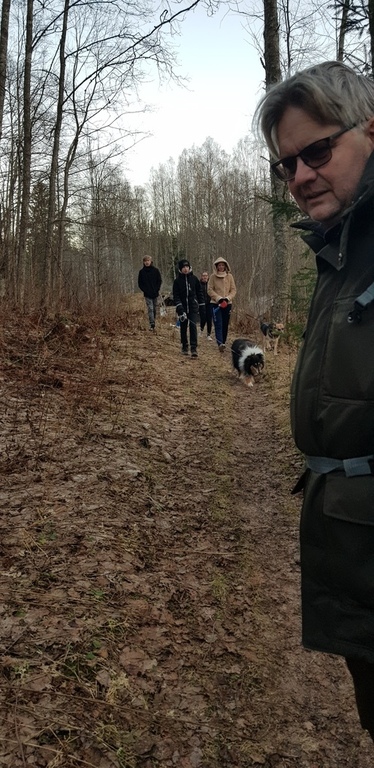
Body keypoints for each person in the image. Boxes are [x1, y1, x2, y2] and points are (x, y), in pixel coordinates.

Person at [255, 60, 374, 743]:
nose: (299, 177)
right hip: (352, 553)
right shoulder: (340, 251)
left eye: (318, 151)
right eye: (285, 165)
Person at [173, 259, 206, 358]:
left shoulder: (194, 279)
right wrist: (180, 308)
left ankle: (193, 348)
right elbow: (176, 296)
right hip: (182, 308)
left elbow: (199, 293)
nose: (185, 269)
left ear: (189, 267)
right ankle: (184, 346)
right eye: (183, 267)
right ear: (180, 269)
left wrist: (201, 305)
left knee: (193, 326)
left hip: (193, 307)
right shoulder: (177, 281)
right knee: (183, 327)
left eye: (187, 267)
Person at [207, 258, 237, 352]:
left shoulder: (229, 276)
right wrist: (218, 298)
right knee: (218, 324)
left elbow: (233, 290)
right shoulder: (212, 277)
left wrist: (227, 298)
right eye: (219, 265)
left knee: (225, 324)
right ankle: (220, 343)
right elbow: (209, 289)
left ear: (225, 266)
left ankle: (223, 342)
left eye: (222, 265)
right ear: (216, 266)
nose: (221, 267)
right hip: (216, 304)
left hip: (227, 303)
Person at [137, 255, 162, 331]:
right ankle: (152, 324)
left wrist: (157, 289)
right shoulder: (141, 272)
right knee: (150, 308)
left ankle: (153, 320)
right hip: (147, 294)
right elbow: (140, 283)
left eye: (148, 261)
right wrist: (145, 290)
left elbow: (159, 281)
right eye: (145, 261)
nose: (147, 262)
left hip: (155, 293)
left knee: (154, 309)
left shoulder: (156, 270)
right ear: (143, 262)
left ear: (151, 261)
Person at [199, 271, 213, 340]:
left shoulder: (210, 284)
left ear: (208, 276)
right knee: (203, 318)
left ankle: (208, 335)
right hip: (202, 304)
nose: (205, 277)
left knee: (209, 319)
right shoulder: (199, 284)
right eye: (203, 275)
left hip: (210, 303)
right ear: (201, 277)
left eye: (206, 275)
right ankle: (201, 330)